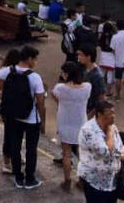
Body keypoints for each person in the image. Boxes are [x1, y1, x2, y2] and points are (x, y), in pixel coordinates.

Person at [0, 45, 46, 190]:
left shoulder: (8, 71)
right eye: (35, 59)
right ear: (29, 59)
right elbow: (41, 101)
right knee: (31, 149)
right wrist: (43, 121)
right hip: (31, 119)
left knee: (15, 147)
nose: (35, 62)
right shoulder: (35, 77)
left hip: (14, 116)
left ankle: (18, 177)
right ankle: (29, 178)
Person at [77, 100, 124, 203]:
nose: (113, 116)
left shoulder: (112, 126)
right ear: (99, 114)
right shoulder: (88, 130)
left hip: (112, 181)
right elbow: (105, 152)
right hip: (95, 182)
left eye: (113, 112)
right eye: (109, 113)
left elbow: (119, 147)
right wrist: (109, 132)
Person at [52, 61, 91, 193]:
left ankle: (67, 180)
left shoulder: (60, 88)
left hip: (65, 123)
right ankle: (81, 180)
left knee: (66, 154)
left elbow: (55, 96)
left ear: (67, 74)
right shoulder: (87, 87)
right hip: (81, 123)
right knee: (82, 154)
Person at [77, 44, 107, 117]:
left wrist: (90, 115)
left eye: (81, 55)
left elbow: (101, 98)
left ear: (89, 57)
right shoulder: (83, 69)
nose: (79, 58)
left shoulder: (97, 76)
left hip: (90, 113)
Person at [110, 21, 124, 103]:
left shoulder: (114, 37)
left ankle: (118, 96)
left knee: (118, 79)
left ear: (117, 27)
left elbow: (113, 49)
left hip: (118, 61)